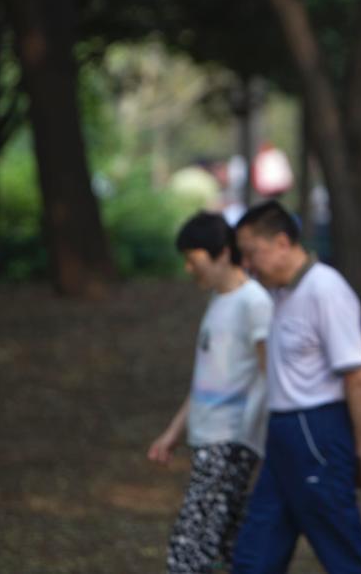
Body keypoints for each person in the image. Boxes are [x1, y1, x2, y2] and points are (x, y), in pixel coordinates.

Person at [232, 201, 361, 574]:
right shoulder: (279, 294)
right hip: (283, 435)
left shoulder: (326, 290)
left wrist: (360, 450)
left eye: (252, 254)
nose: (248, 265)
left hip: (316, 433)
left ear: (283, 242)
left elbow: (360, 378)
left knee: (344, 552)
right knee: (255, 554)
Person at [147, 211, 274, 574]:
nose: (189, 269)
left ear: (222, 253)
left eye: (193, 259)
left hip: (230, 442)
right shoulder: (219, 301)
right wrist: (174, 432)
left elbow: (271, 377)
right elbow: (207, 380)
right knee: (227, 546)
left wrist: (261, 437)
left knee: (189, 547)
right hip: (209, 440)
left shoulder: (254, 303)